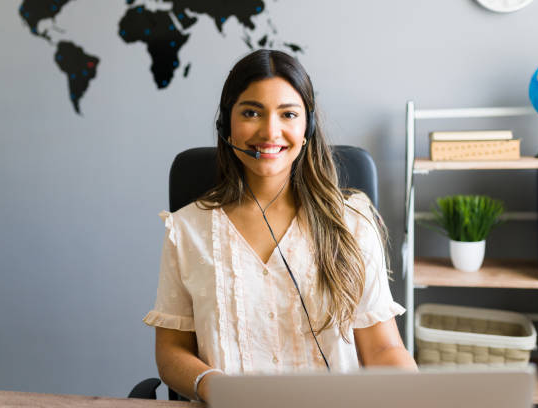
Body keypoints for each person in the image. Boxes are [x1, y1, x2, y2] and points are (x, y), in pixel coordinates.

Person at [143, 49, 417, 402]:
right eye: (251, 112)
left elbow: (382, 350)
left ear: (308, 127)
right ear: (227, 124)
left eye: (288, 114)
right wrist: (217, 388)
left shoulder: (351, 223)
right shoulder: (186, 230)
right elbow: (171, 352)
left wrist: (416, 395)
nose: (270, 131)